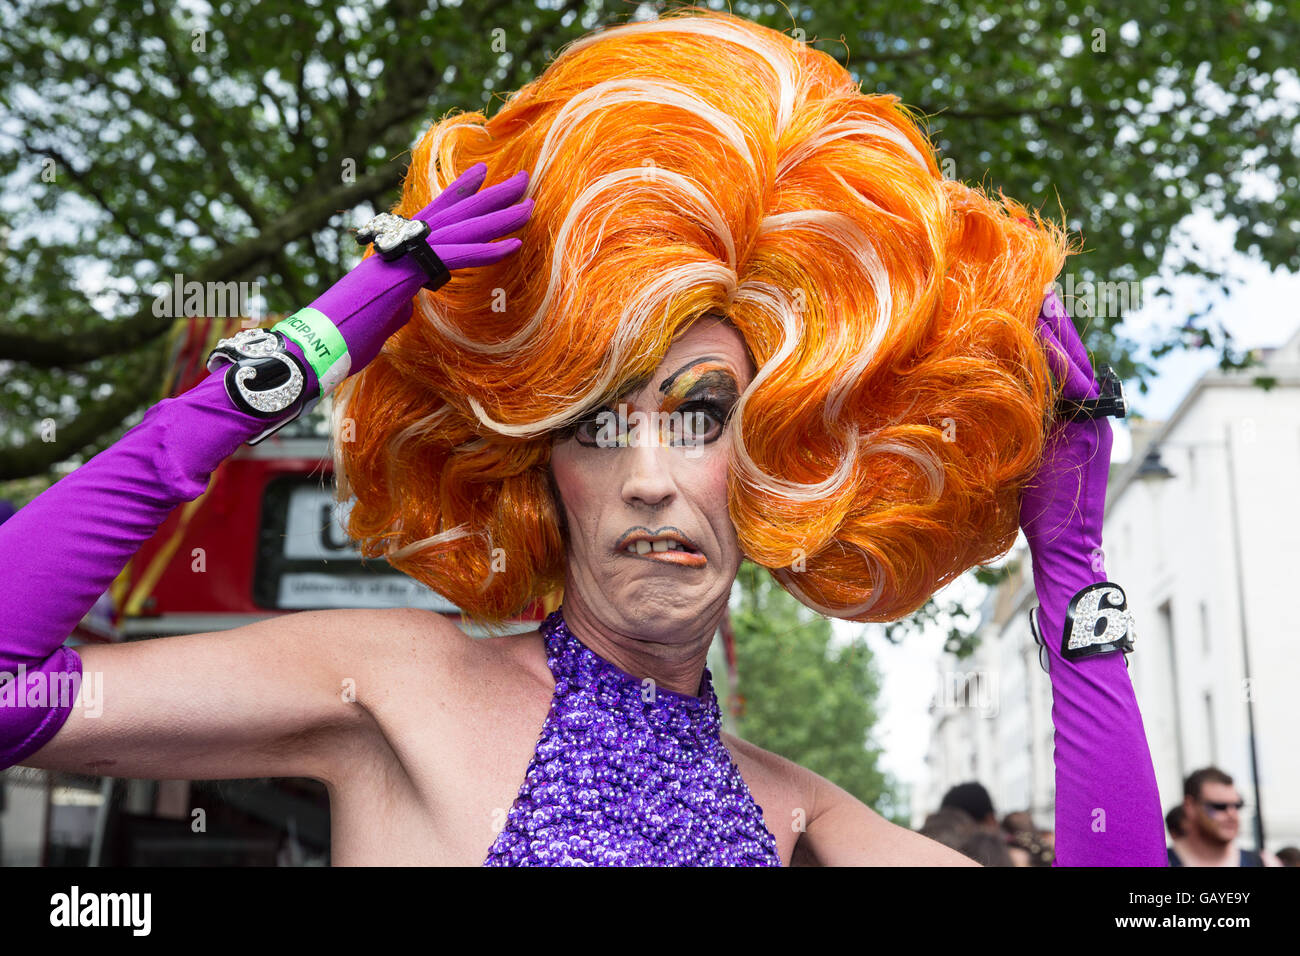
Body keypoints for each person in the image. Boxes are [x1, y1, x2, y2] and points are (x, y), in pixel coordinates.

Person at [0, 8, 1163, 866]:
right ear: (536, 464)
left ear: (788, 454)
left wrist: (1072, 575)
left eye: (701, 415)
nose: (651, 480)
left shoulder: (810, 819)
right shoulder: (393, 687)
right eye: (598, 426)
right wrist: (298, 354)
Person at [1167, 767, 1276, 867]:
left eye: (1237, 806)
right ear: (1189, 806)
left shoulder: (1260, 862)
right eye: (1219, 806)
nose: (1232, 814)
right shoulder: (1163, 861)